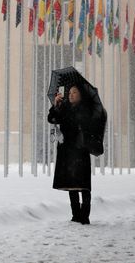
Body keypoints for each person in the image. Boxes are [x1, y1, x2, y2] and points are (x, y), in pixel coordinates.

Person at [48, 84, 92, 225]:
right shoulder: (64, 107)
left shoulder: (86, 108)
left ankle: (84, 215)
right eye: (70, 93)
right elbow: (52, 119)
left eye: (74, 92)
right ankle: (75, 215)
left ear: (80, 95)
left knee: (83, 184)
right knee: (71, 183)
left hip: (80, 150)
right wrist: (56, 105)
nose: (71, 95)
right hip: (67, 150)